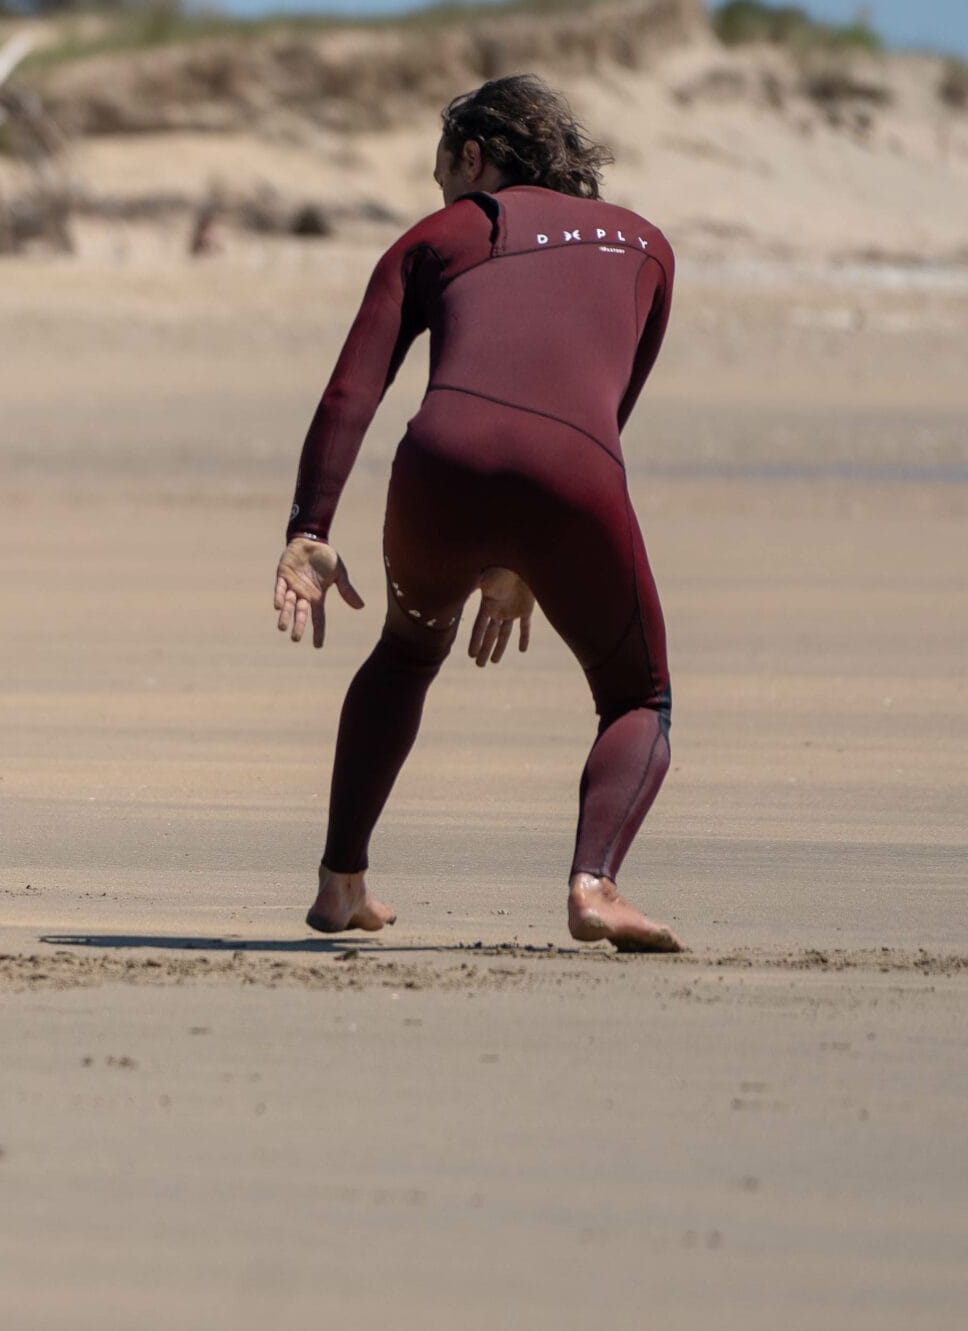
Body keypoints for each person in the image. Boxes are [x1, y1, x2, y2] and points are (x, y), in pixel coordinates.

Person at [273, 74, 681, 952]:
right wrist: (533, 552)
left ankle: (343, 882)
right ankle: (594, 885)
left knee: (407, 652)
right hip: (577, 476)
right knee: (637, 695)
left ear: (473, 156)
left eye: (440, 174)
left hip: (440, 468)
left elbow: (353, 388)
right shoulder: (648, 248)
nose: (440, 195)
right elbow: (601, 411)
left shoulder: (438, 237)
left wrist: (310, 529)